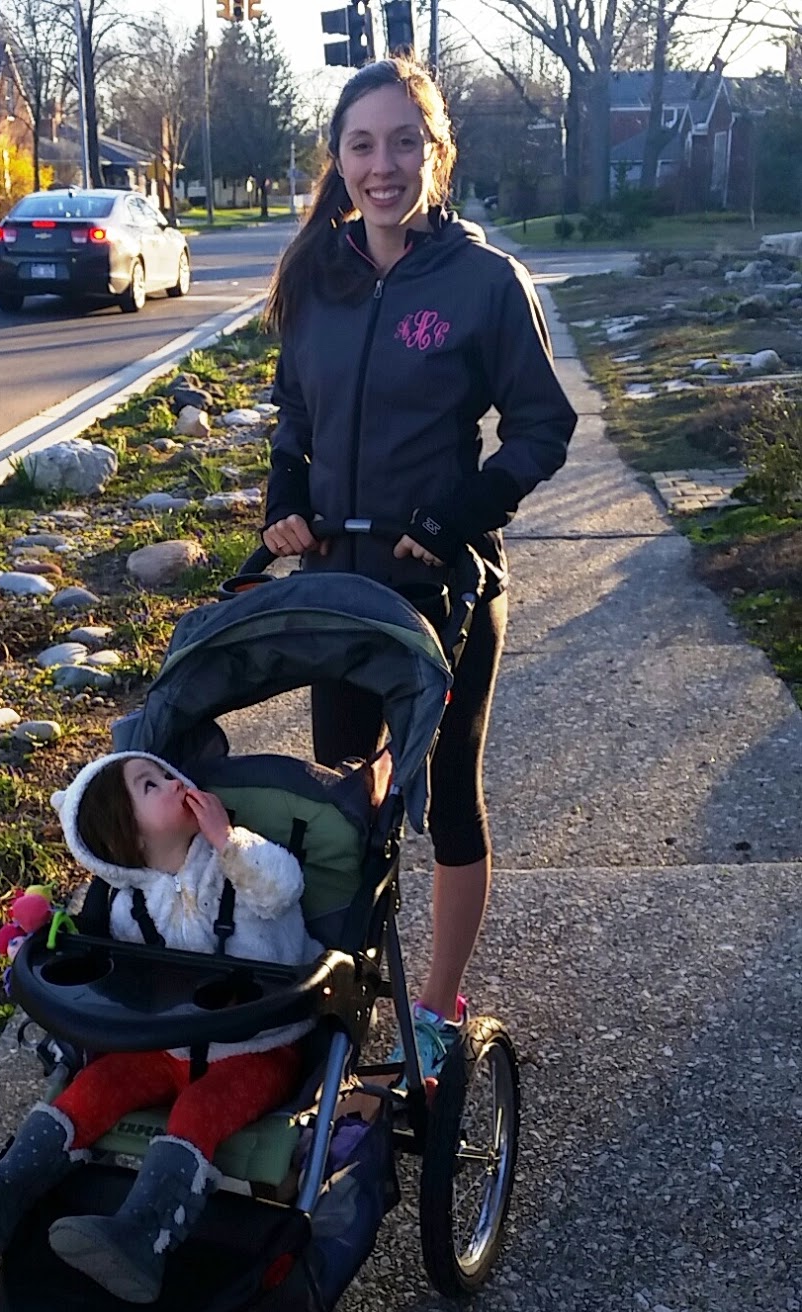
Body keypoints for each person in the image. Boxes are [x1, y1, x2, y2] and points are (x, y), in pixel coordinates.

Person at [261, 54, 576, 1079]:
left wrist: (454, 515)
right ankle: (347, 985)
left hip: (442, 586)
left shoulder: (484, 283)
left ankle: (435, 1007)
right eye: (362, 144)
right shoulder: (315, 274)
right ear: (338, 157)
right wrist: (284, 497)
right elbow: (295, 413)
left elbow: (542, 425)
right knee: (346, 796)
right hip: (336, 586)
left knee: (444, 796)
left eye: (405, 142)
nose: (382, 165)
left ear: (438, 154)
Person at [0, 752, 322, 1303]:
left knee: (199, 1108)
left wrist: (226, 839)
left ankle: (144, 1237)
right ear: (129, 838)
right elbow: (126, 986)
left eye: (166, 772)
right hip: (169, 1047)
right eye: (150, 785)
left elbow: (281, 889)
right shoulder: (128, 908)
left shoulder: (238, 859)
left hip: (259, 1047)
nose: (173, 781)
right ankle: (6, 1191)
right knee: (98, 1083)